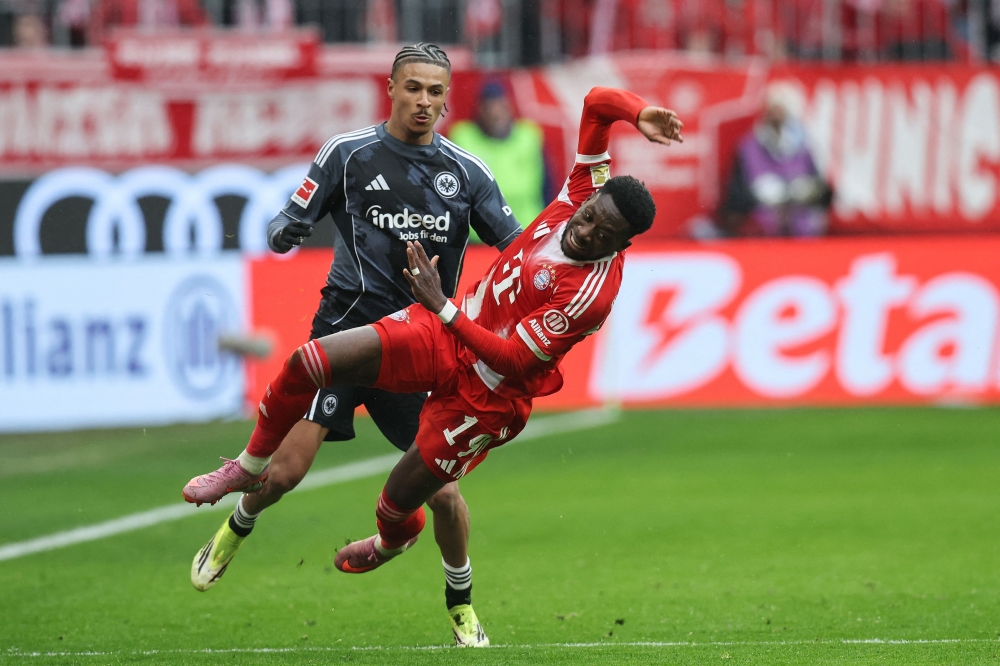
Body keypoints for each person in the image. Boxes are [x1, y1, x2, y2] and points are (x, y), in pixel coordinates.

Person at [183, 85, 682, 642]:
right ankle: (247, 473)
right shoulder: (576, 191)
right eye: (589, 217)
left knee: (405, 504)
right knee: (308, 367)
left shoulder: (593, 290)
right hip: (436, 327)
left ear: (621, 246)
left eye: (602, 235)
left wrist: (441, 303)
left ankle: (426, 572)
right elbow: (595, 103)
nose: (585, 230)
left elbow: (516, 359)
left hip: (485, 395)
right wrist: (639, 114)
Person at [185, 43, 522, 648]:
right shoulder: (348, 154)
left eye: (436, 92)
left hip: (420, 349)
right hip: (345, 336)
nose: (424, 101)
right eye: (413, 88)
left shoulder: (468, 174)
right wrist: (285, 230)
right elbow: (287, 220)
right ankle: (239, 525)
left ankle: (462, 606)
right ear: (390, 87)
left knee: (443, 490)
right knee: (285, 473)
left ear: (448, 99)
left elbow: (516, 249)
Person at [718, 83, 832, 237]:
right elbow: (734, 197)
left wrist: (806, 191)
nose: (777, 117)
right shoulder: (748, 147)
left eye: (782, 111)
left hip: (802, 232)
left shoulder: (806, 145)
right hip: (761, 232)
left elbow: (823, 194)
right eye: (773, 111)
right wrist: (756, 195)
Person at [449, 81, 549, 233]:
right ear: (479, 110)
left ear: (509, 107)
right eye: (489, 108)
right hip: (478, 237)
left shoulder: (529, 136)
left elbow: (548, 184)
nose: (496, 114)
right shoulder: (463, 138)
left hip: (526, 232)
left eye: (501, 106)